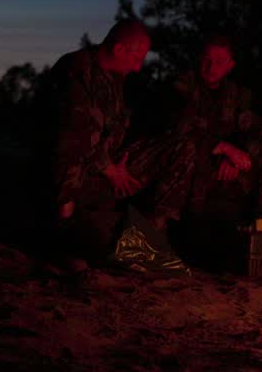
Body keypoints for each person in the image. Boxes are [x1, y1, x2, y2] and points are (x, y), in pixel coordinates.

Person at [38, 19, 197, 268]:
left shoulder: (114, 79)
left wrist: (119, 165)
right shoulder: (77, 71)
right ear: (119, 49)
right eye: (136, 58)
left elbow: (117, 129)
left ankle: (148, 234)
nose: (137, 68)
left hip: (106, 169)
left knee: (180, 146)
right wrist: (109, 169)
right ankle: (65, 230)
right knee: (68, 160)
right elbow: (71, 136)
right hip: (72, 175)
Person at [170, 35, 262, 239]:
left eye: (219, 62)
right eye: (207, 60)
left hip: (228, 163)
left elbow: (259, 130)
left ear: (230, 66)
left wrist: (237, 152)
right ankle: (187, 235)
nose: (211, 67)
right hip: (195, 161)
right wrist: (225, 148)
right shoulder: (183, 86)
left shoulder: (237, 94)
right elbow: (178, 129)